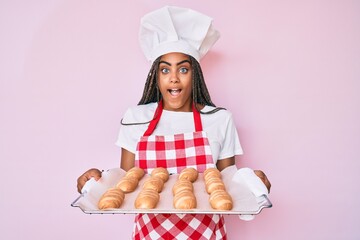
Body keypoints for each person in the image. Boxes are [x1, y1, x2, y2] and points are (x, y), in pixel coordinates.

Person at [77, 6, 271, 240]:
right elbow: (125, 179)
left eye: (183, 69)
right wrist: (97, 179)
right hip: (150, 233)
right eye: (165, 69)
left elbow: (227, 180)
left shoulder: (220, 118)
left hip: (207, 233)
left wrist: (252, 181)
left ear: (195, 75)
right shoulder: (136, 118)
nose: (174, 77)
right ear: (156, 77)